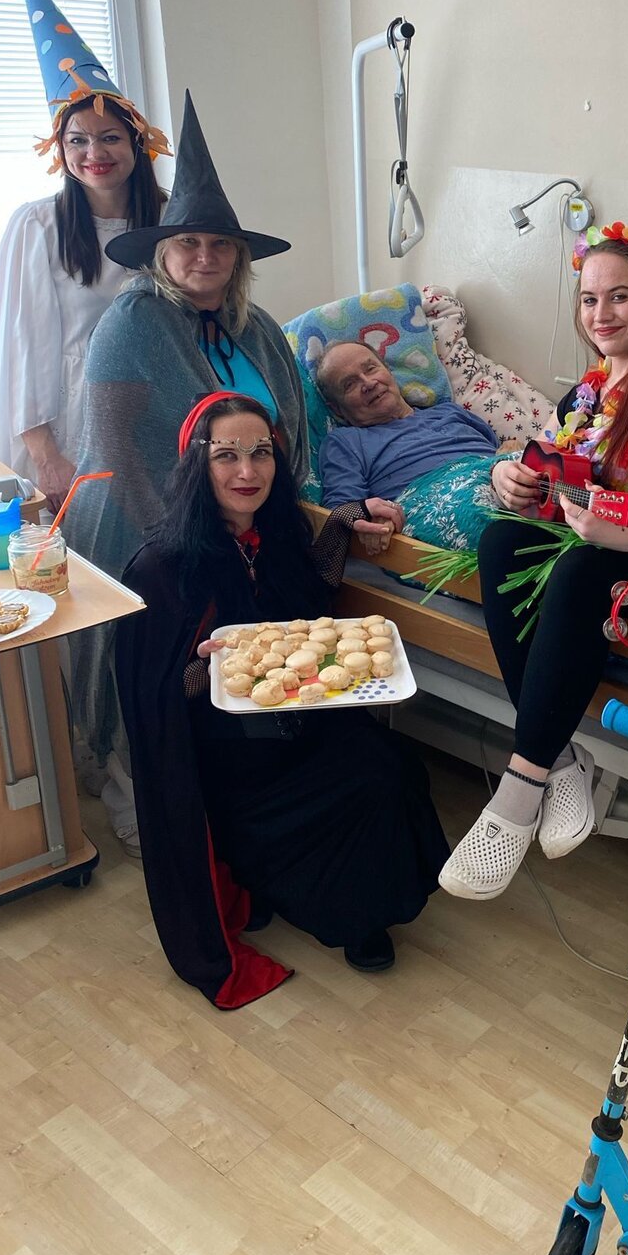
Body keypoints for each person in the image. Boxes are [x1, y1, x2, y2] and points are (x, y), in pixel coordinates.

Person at [115, 392, 448, 1007]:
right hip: (228, 756)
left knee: (389, 765)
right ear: (198, 465)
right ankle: (324, 905)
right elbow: (151, 700)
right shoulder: (161, 566)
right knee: (354, 785)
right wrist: (205, 668)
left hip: (302, 720)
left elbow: (310, 596)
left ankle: (365, 906)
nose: (247, 471)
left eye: (261, 453)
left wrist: (343, 521)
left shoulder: (277, 531)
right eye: (227, 455)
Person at [438, 221, 628, 901]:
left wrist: (619, 537)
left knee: (579, 570)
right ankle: (561, 758)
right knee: (500, 541)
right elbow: (547, 469)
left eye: (620, 297)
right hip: (587, 545)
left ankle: (519, 789)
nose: (602, 314)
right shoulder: (585, 396)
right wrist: (512, 478)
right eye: (590, 299)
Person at [64, 91, 310, 855]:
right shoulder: (135, 321)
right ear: (162, 253)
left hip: (240, 520)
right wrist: (176, 544)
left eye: (220, 245)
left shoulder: (256, 327)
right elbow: (117, 444)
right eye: (189, 243)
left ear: (239, 257)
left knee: (223, 665)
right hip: (142, 527)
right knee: (151, 662)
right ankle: (130, 786)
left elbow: (290, 425)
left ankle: (230, 782)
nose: (205, 257)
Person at [0, 0, 169, 504]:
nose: (93, 153)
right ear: (60, 150)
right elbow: (25, 347)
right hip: (69, 424)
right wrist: (46, 455)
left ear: (137, 144)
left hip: (158, 412)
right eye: (78, 140)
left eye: (109, 137)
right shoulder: (39, 226)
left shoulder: (170, 218)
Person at [316, 338, 504, 552]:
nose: (368, 383)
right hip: (445, 508)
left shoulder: (450, 411)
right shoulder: (344, 442)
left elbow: (502, 453)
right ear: (337, 409)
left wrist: (511, 451)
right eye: (349, 384)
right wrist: (372, 516)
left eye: (370, 368)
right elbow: (340, 514)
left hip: (503, 484)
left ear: (388, 371)